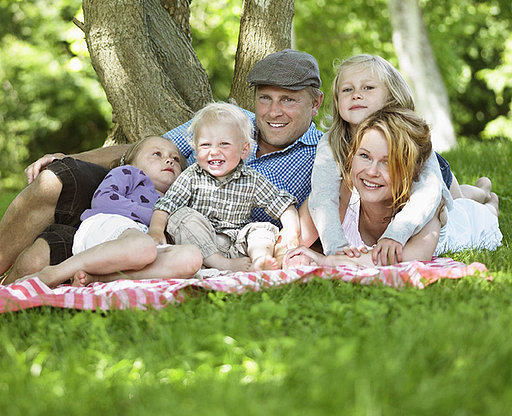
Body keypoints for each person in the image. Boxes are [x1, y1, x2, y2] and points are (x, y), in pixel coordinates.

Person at [0, 49, 324, 290]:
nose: (273, 111)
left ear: (316, 102)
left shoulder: (319, 155)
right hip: (132, 204)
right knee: (54, 179)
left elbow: (307, 224)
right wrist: (68, 157)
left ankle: (24, 284)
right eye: (266, 98)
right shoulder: (229, 119)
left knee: (34, 262)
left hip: (196, 240)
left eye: (288, 100)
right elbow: (143, 150)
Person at [305, 54, 492, 265]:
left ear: (392, 96)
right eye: (347, 89)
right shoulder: (333, 141)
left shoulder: (409, 136)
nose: (356, 95)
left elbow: (428, 193)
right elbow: (323, 195)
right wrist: (335, 248)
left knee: (460, 206)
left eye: (368, 88)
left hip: (428, 176)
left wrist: (395, 234)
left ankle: (485, 194)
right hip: (383, 183)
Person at [284, 107, 501, 269]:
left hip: (463, 222)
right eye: (364, 156)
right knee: (464, 195)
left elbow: (412, 257)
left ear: (413, 170)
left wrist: (326, 261)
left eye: (387, 162)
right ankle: (479, 188)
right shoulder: (339, 197)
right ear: (351, 156)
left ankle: (487, 197)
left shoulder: (423, 210)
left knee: (478, 209)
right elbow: (296, 241)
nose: (371, 171)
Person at [15, 136, 202, 288]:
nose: (169, 160)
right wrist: (156, 219)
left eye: (175, 159)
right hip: (109, 226)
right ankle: (55, 272)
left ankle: (97, 278)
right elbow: (104, 200)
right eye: (156, 154)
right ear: (132, 162)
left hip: (144, 246)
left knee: (191, 258)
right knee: (142, 247)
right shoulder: (130, 173)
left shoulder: (177, 200)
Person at [150, 103, 300, 272]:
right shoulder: (192, 175)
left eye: (224, 144)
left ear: (243, 151)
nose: (214, 152)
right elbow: (167, 205)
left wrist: (291, 231)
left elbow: (283, 205)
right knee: (182, 216)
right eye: (205, 145)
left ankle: (260, 259)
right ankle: (220, 263)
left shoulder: (251, 179)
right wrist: (156, 230)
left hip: (237, 246)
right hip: (200, 245)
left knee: (262, 228)